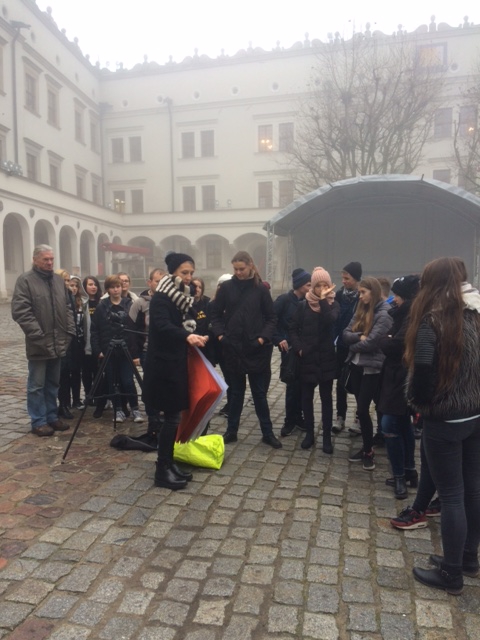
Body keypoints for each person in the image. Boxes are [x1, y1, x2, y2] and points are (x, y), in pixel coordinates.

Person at [405, 257, 480, 595]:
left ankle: (452, 573)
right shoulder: (476, 314)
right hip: (475, 416)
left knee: (451, 495)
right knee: (472, 490)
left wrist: (418, 405)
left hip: (445, 419)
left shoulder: (432, 322)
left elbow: (422, 373)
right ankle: (468, 558)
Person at [143, 252, 209, 490]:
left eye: (191, 273)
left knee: (174, 417)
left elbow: (184, 323)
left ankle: (168, 463)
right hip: (163, 366)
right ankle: (162, 470)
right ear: (173, 273)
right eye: (184, 272)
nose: (189, 277)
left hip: (175, 362)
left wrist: (194, 333)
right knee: (170, 418)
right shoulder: (162, 297)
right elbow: (162, 326)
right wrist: (187, 336)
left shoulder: (182, 297)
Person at [211, 250, 281, 448]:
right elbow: (215, 314)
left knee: (259, 394)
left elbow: (271, 317)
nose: (238, 272)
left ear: (250, 266)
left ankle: (267, 433)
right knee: (236, 393)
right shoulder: (226, 287)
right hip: (232, 348)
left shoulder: (261, 289)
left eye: (241, 269)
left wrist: (262, 339)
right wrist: (221, 335)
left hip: (255, 349)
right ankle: (231, 431)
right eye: (235, 269)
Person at [11, 245, 75, 437]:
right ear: (35, 260)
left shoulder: (57, 280)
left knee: (53, 383)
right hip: (38, 342)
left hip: (59, 341)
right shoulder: (25, 280)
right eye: (45, 259)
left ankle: (51, 416)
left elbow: (67, 307)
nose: (49, 262)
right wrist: (37, 334)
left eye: (51, 259)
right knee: (36, 385)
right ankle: (38, 421)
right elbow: (21, 311)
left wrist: (69, 330)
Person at [344, 277, 393, 470]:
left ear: (373, 292)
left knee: (364, 409)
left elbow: (372, 342)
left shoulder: (384, 313)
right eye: (359, 292)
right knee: (361, 408)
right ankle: (367, 446)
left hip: (372, 369)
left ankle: (369, 451)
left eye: (363, 292)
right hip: (356, 366)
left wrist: (353, 344)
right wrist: (358, 337)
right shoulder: (361, 309)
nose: (360, 296)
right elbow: (345, 333)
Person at [377, 275, 420, 499]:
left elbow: (394, 345)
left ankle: (399, 476)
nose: (394, 299)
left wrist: (385, 339)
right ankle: (409, 470)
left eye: (398, 296)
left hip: (400, 377)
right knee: (403, 423)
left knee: (389, 424)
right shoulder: (403, 314)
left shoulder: (411, 316)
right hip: (396, 376)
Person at [289, 267, 338, 452]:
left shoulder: (333, 304)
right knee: (306, 398)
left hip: (326, 359)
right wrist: (299, 348)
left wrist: (323, 300)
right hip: (308, 358)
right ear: (312, 286)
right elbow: (292, 329)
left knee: (326, 400)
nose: (322, 288)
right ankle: (309, 434)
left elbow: (330, 320)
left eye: (325, 285)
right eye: (318, 285)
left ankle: (327, 437)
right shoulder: (303, 305)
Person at [90, 275, 144, 423]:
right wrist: (97, 350)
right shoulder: (102, 306)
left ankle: (135, 409)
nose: (116, 290)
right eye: (112, 287)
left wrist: (135, 353)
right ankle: (118, 409)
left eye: (118, 286)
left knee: (128, 381)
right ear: (108, 289)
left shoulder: (129, 304)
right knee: (112, 382)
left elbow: (135, 329)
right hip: (109, 349)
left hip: (126, 350)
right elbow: (94, 330)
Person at [272, 268, 311, 436]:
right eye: (308, 284)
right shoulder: (284, 300)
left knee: (303, 385)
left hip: (304, 349)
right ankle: (289, 420)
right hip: (289, 350)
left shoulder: (309, 301)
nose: (311, 288)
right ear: (300, 285)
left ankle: (299, 417)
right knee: (292, 385)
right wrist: (278, 338)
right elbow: (271, 320)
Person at [129, 268, 165, 432]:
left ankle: (164, 414)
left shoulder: (170, 301)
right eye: (157, 281)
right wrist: (134, 353)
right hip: (146, 350)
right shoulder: (140, 303)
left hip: (165, 351)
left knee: (164, 384)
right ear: (149, 282)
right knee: (151, 384)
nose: (160, 284)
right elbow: (131, 329)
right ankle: (153, 418)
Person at [332, 261, 362, 434]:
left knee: (358, 383)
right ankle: (340, 416)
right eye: (343, 278)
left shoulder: (362, 297)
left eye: (347, 278)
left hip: (357, 345)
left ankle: (359, 417)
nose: (343, 281)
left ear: (356, 279)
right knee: (340, 383)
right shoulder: (339, 295)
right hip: (342, 346)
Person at [82, 275, 103, 403]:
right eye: (90, 284)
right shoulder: (82, 302)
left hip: (98, 342)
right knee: (86, 372)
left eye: (95, 284)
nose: (93, 287)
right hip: (85, 343)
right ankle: (88, 395)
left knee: (98, 371)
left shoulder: (102, 302)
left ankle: (99, 396)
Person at [67, 275, 87, 410]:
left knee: (77, 372)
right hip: (68, 342)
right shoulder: (65, 301)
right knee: (66, 373)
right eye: (71, 285)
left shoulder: (82, 302)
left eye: (76, 286)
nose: (74, 288)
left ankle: (76, 399)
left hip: (80, 342)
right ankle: (66, 401)